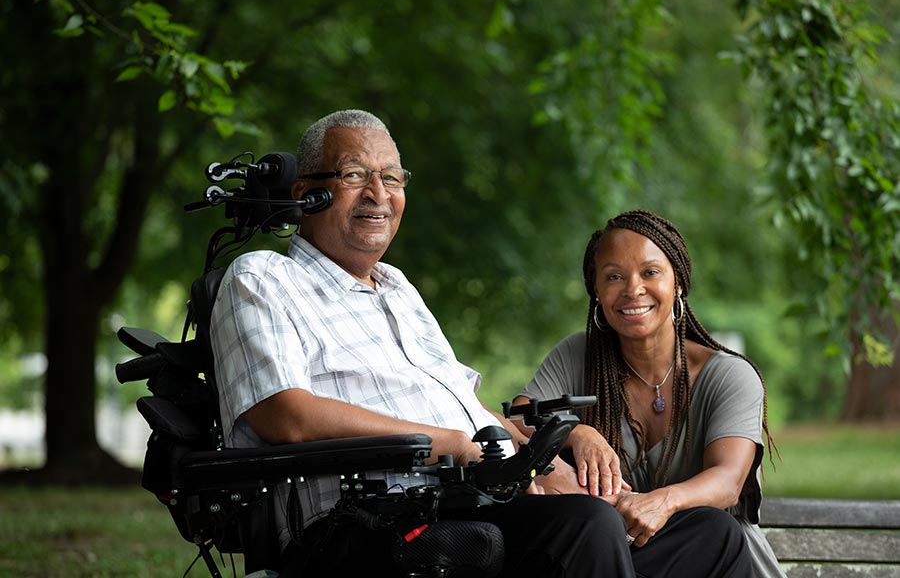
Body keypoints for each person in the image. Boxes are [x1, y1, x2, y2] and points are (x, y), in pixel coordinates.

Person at [210, 109, 751, 577]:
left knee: (709, 534)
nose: (379, 195)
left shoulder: (397, 288)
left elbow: (468, 409)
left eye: (393, 178)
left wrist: (542, 459)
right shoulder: (261, 278)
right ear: (308, 192)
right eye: (356, 175)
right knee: (585, 527)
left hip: (469, 498)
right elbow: (285, 415)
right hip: (370, 522)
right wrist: (449, 442)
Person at [514, 209, 784, 577]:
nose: (632, 289)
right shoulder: (579, 356)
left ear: (678, 283)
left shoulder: (728, 375)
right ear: (596, 289)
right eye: (614, 276)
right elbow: (518, 418)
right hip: (625, 560)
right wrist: (578, 433)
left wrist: (662, 502)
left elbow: (727, 482)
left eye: (650, 272)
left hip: (712, 559)